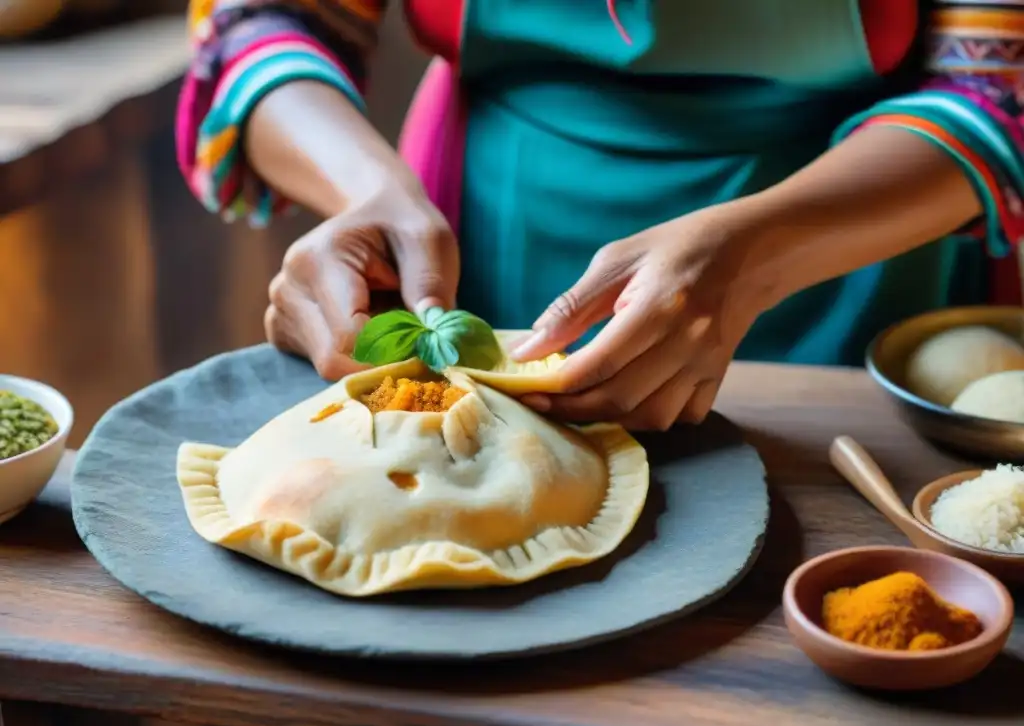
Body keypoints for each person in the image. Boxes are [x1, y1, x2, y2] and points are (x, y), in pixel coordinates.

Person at [178, 0, 1024, 430]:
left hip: (853, 260)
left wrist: (759, 251)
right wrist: (367, 191)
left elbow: (994, 92)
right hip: (483, 243)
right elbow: (261, 23)